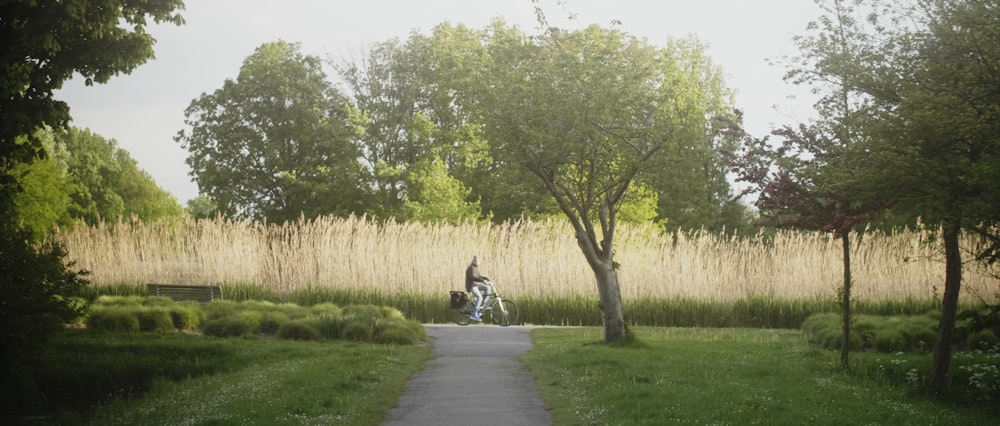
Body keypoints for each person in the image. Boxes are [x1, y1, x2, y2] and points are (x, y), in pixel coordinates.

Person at [465, 255, 490, 321]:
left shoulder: (475, 267)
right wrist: (483, 281)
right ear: (474, 261)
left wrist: (486, 278)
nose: (479, 262)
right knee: (480, 297)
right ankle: (474, 314)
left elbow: (478, 276)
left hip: (475, 285)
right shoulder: (471, 268)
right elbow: (473, 277)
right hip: (471, 286)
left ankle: (481, 304)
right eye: (478, 261)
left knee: (487, 288)